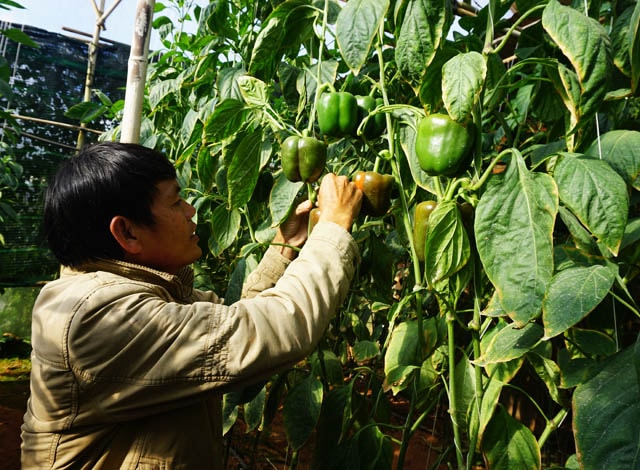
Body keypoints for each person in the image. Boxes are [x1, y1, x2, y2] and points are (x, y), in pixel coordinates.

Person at [21, 141, 363, 469]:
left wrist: (284, 247)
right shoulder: (96, 314)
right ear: (127, 233)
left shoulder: (140, 294)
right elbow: (270, 331)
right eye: (175, 202)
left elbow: (229, 332)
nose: (190, 210)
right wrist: (332, 229)